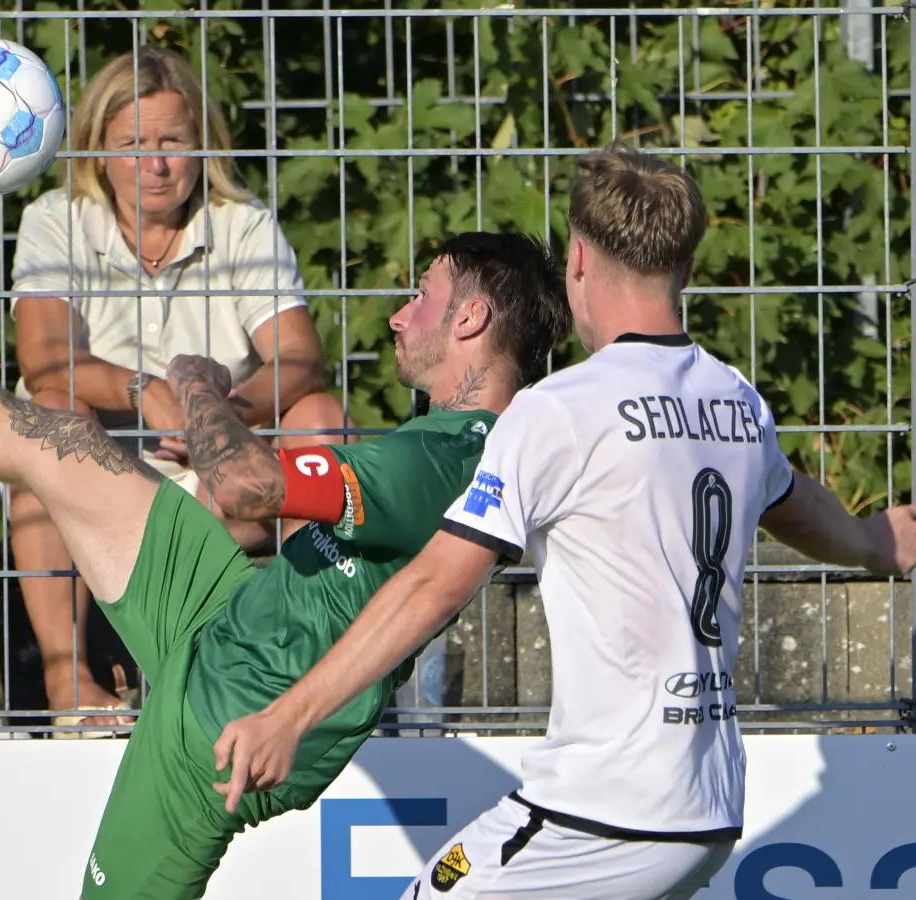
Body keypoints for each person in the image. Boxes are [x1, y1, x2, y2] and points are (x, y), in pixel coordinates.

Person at [0, 151, 572, 898]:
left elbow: (244, 486)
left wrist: (196, 380)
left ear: (470, 320)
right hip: (233, 607)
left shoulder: (450, 457)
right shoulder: (457, 441)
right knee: (55, 439)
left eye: (420, 298)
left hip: (236, 705)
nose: (396, 315)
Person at [209, 143, 916, 899]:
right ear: (685, 266)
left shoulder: (559, 410)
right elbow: (816, 517)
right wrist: (884, 542)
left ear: (577, 260)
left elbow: (432, 588)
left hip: (601, 812)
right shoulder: (735, 400)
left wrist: (290, 715)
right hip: (707, 807)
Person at [8, 46, 350, 734]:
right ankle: (67, 680)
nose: (155, 165)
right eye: (133, 143)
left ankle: (317, 667)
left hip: (219, 473)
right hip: (101, 470)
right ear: (98, 150)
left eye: (172, 142)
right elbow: (46, 360)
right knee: (46, 415)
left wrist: (219, 423)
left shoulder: (243, 223)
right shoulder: (55, 220)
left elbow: (299, 357)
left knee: (321, 416)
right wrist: (143, 391)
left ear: (203, 147)